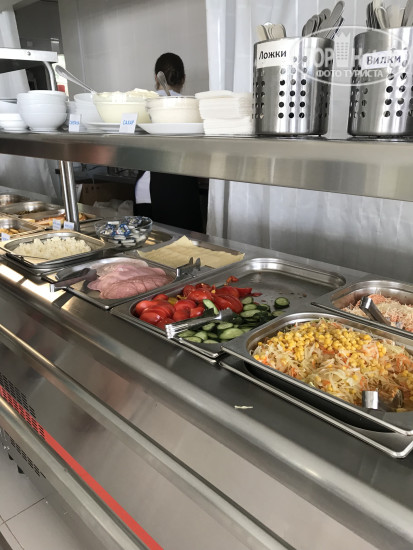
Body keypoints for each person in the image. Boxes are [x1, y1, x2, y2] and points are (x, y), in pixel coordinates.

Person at [134, 53, 205, 233]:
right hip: (180, 190)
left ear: (155, 77)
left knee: (148, 244)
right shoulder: (191, 107)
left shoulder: (142, 105)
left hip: (145, 191)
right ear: (183, 79)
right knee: (184, 245)